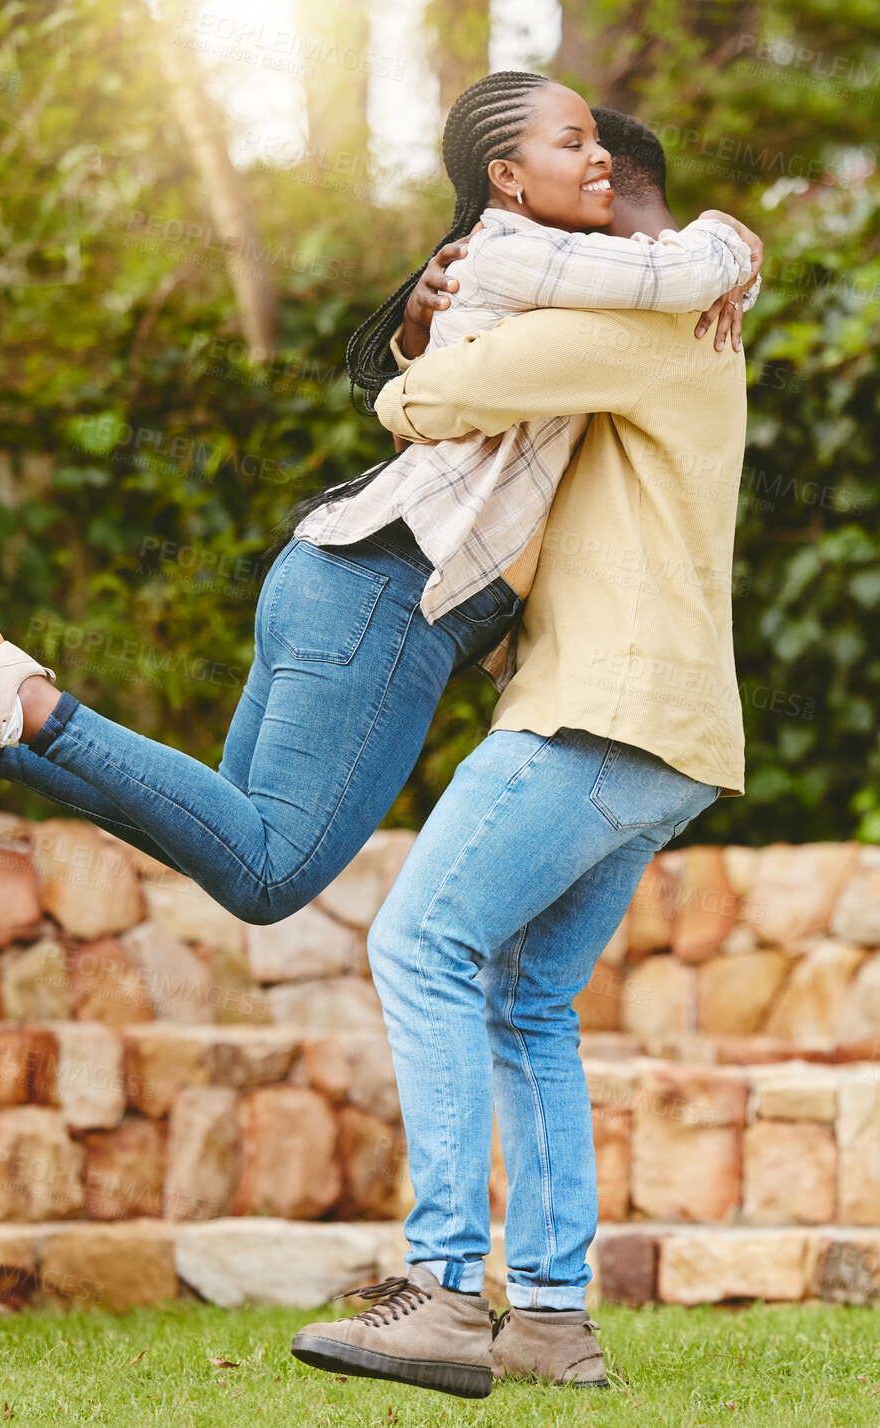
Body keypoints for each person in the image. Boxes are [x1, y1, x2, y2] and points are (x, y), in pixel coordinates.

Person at [0, 74, 759, 937]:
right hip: (393, 591)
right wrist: (730, 245)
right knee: (274, 874)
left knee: (233, 842)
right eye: (573, 145)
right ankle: (25, 702)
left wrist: (420, 349)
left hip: (339, 572)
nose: (594, 163)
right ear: (507, 178)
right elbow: (658, 280)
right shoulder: (537, 257)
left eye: (600, 147)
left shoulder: (517, 272)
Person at [289, 110, 754, 1399]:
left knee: (414, 944)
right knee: (522, 1000)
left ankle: (442, 1292)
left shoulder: (634, 318)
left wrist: (406, 360)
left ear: (615, 215)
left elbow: (435, 399)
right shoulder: (677, 326)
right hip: (669, 729)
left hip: (599, 710)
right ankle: (550, 1318)